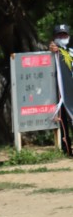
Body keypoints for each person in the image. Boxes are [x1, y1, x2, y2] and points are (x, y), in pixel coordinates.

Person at [48, 24, 73, 156]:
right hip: (60, 94)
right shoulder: (52, 52)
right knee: (63, 121)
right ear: (54, 37)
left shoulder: (71, 51)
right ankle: (67, 150)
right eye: (59, 35)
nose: (62, 37)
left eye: (64, 35)